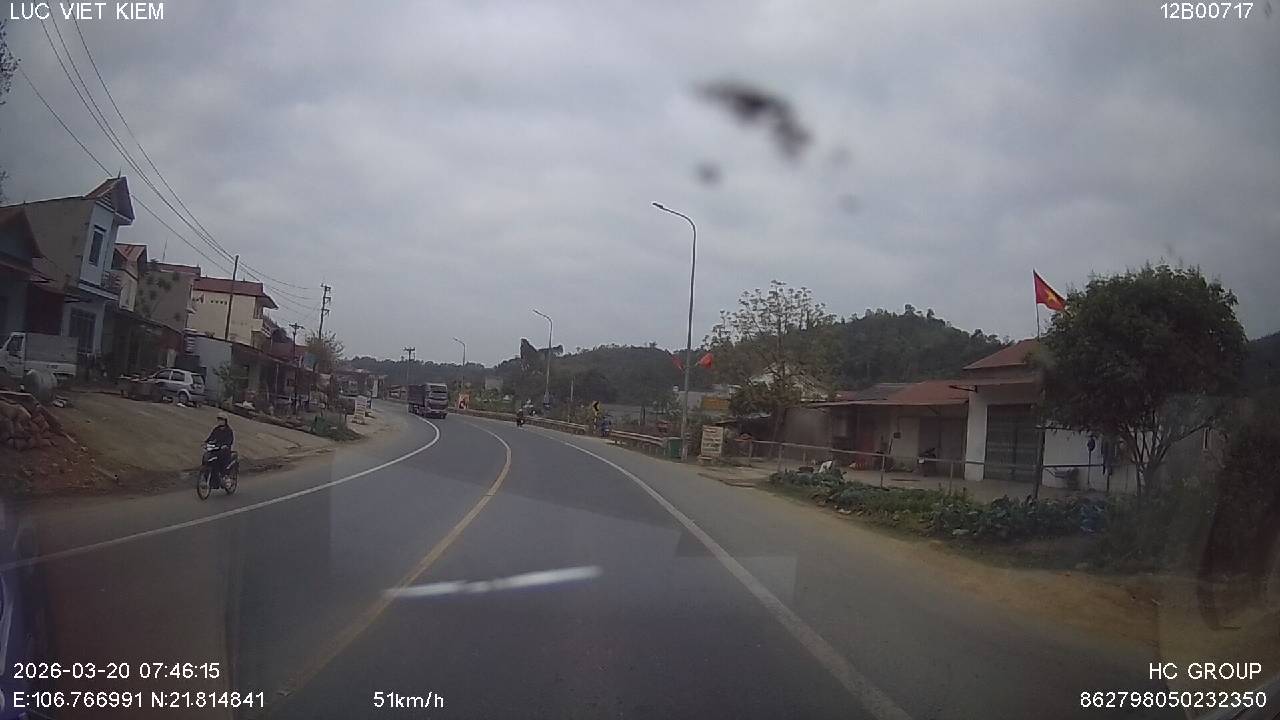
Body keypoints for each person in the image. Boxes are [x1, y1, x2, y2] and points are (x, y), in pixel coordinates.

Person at [206, 414, 235, 487]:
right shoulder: (216, 429)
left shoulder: (229, 430)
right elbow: (211, 437)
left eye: (221, 420)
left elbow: (230, 440)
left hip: (224, 451)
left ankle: (225, 476)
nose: (220, 421)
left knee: (223, 461)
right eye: (219, 420)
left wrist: (225, 445)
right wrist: (206, 442)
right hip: (216, 449)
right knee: (208, 458)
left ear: (225, 421)